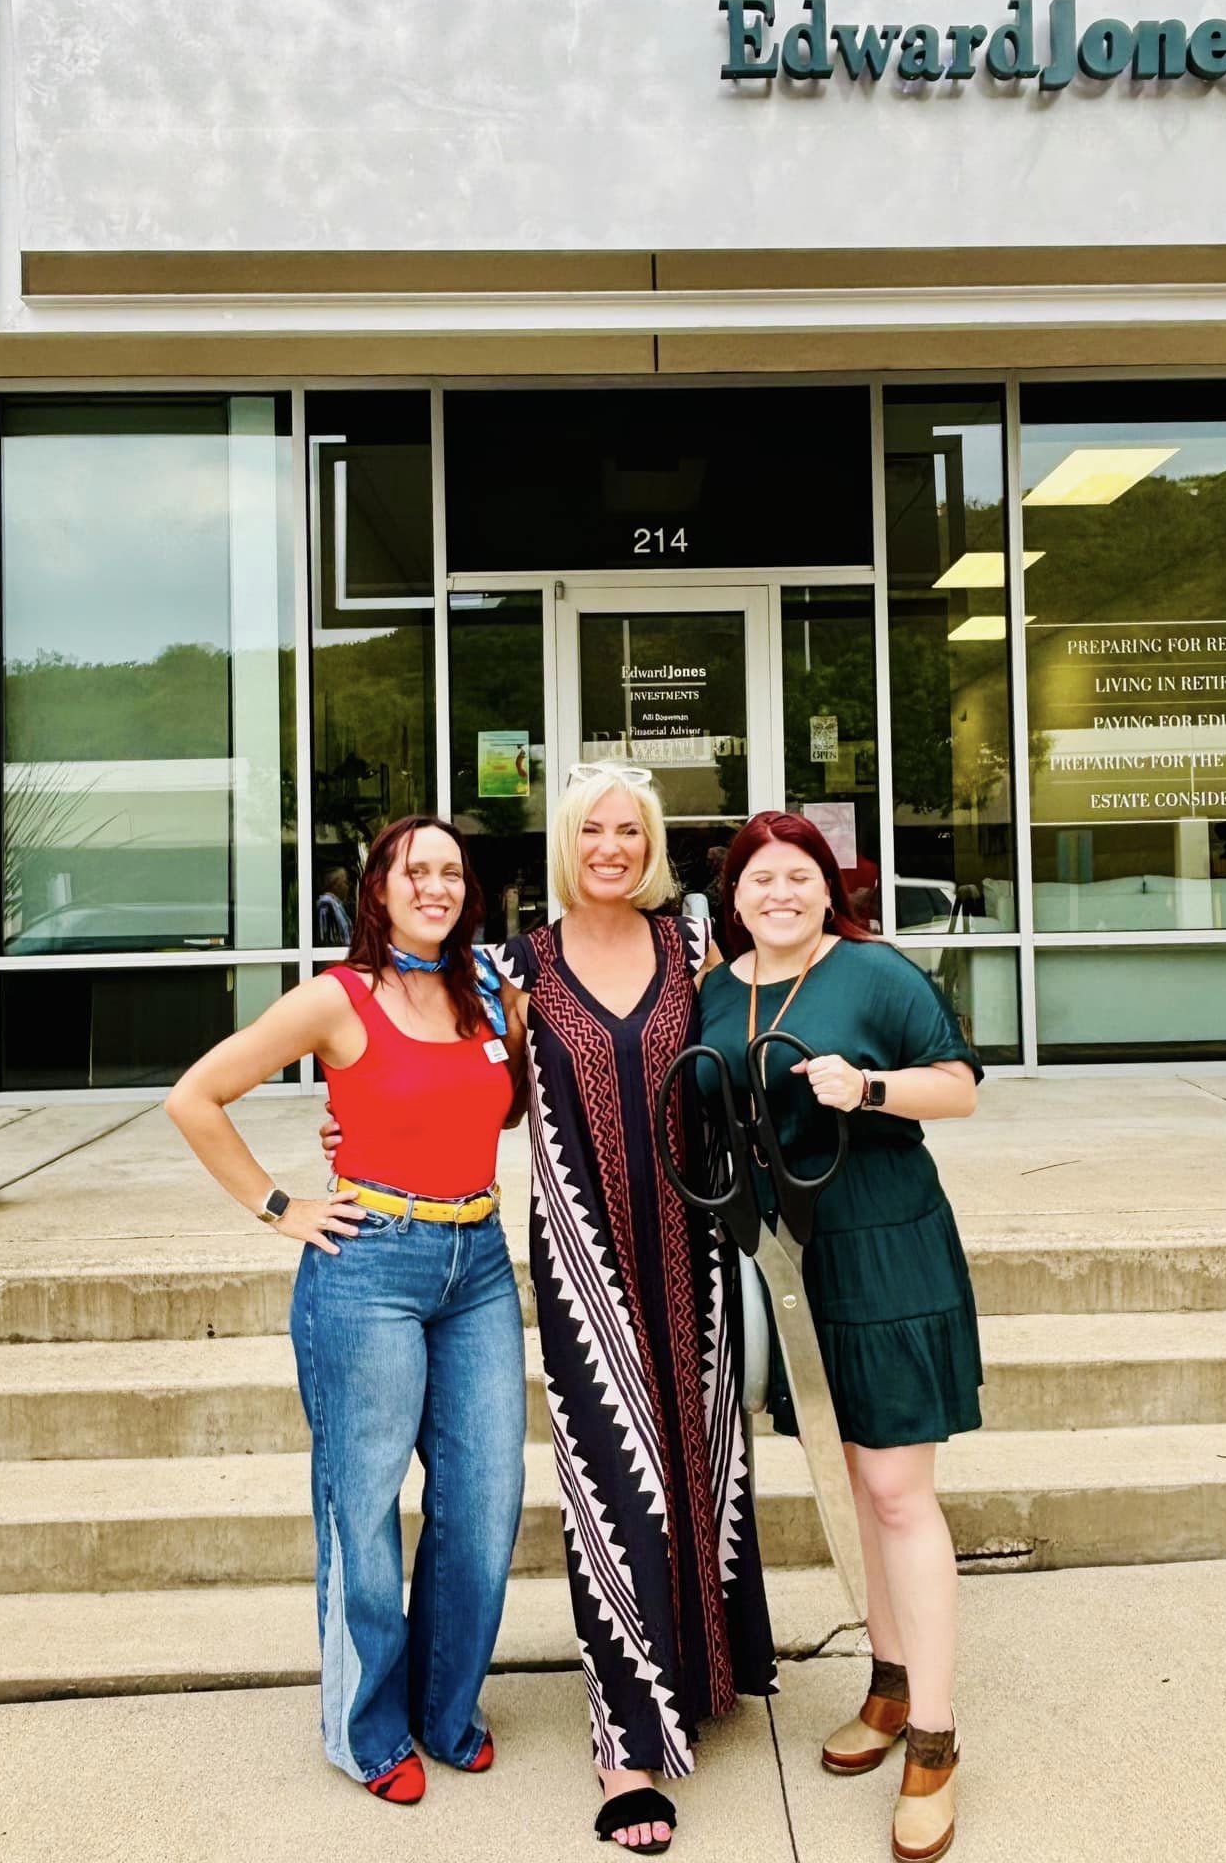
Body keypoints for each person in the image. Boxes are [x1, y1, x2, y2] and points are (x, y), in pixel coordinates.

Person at [322, 764, 777, 1854]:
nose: (612, 845)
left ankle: (701, 1673)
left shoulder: (690, 949)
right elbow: (471, 1082)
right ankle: (624, 1747)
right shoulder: (511, 968)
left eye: (631, 829)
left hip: (696, 1247)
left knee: (702, 1462)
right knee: (613, 1480)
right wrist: (350, 1145)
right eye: (593, 829)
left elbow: (739, 1065)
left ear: (651, 843)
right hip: (584, 1254)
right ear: (566, 844)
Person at [166, 816, 526, 1807]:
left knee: (486, 1494)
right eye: (419, 870)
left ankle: (445, 1707)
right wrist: (282, 1205)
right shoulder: (338, 994)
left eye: (453, 871)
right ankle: (367, 1726)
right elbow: (197, 1095)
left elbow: (502, 1106)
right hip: (369, 1266)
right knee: (362, 1504)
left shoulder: (490, 988)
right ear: (380, 886)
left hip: (480, 1262)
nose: (438, 885)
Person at [697, 809, 982, 1863]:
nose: (779, 893)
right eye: (759, 878)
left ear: (828, 887)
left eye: (798, 876)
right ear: (733, 895)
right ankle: (890, 1685)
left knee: (902, 1491)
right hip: (787, 1264)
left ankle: (938, 1743)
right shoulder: (718, 988)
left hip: (887, 1244)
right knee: (855, 1481)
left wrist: (866, 1086)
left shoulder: (877, 973)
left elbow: (957, 1087)